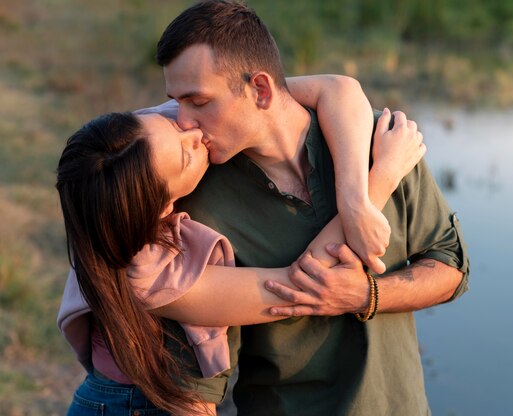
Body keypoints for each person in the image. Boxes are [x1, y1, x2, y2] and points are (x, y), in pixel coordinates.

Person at [152, 1, 470, 415]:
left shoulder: (383, 143)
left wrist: (366, 295)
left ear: (261, 90)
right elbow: (196, 390)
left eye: (198, 101)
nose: (184, 121)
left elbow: (452, 267)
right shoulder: (196, 202)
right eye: (177, 102)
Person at [56, 75, 425, 414]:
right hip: (137, 404)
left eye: (174, 124)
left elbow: (338, 88)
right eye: (188, 156)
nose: (196, 134)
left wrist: (353, 200)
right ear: (166, 206)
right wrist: (384, 176)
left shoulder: (144, 139)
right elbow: (297, 287)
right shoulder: (150, 274)